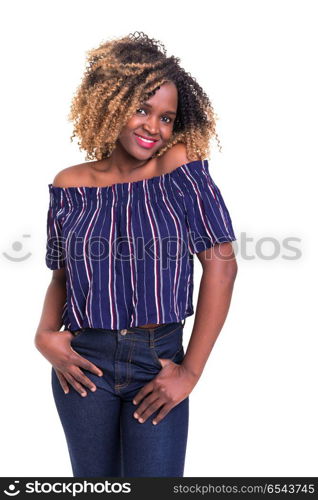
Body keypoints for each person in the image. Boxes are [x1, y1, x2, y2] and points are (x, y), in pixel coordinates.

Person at [34, 31, 238, 478]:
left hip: (156, 358)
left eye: (166, 117)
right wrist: (44, 334)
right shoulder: (70, 185)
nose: (153, 127)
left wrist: (190, 372)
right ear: (109, 105)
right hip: (84, 362)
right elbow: (62, 276)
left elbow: (222, 267)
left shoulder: (180, 167)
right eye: (141, 109)